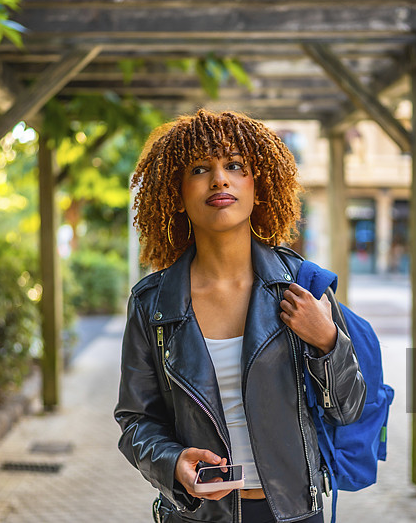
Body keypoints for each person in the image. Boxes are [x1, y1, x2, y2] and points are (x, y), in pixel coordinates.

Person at [115, 109, 366, 523]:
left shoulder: (301, 287)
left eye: (234, 165)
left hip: (293, 514)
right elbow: (136, 421)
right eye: (200, 168)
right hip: (196, 514)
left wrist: (327, 343)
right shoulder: (152, 304)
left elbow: (349, 409)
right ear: (176, 192)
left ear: (258, 186)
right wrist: (173, 463)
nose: (219, 179)